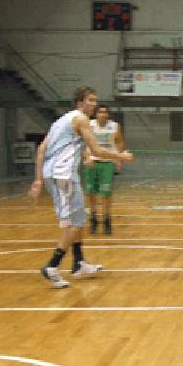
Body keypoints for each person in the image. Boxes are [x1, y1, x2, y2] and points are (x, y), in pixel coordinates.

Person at [28, 86, 134, 288]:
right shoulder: (82, 119)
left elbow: (41, 148)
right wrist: (122, 156)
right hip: (63, 175)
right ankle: (52, 265)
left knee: (79, 219)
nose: (94, 104)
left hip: (59, 174)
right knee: (73, 224)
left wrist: (38, 179)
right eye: (91, 100)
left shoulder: (61, 121)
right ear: (80, 102)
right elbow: (97, 150)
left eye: (96, 100)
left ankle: (78, 262)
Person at [83, 104, 126, 235]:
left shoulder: (114, 126)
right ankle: (94, 219)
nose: (103, 114)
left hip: (107, 162)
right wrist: (86, 157)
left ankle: (107, 220)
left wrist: (119, 158)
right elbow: (82, 144)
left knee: (106, 193)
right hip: (92, 161)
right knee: (91, 192)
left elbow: (119, 142)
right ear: (96, 114)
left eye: (105, 112)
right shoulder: (88, 125)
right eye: (100, 112)